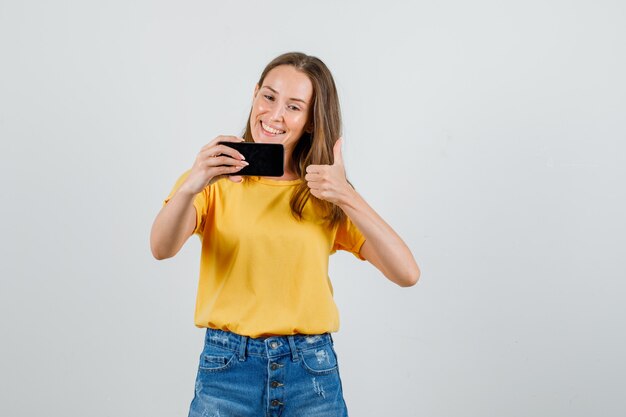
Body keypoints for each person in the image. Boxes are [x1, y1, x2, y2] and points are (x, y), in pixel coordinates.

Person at [150, 52, 420, 417]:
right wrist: (191, 185)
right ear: (255, 94)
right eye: (269, 97)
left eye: (294, 106)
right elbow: (161, 248)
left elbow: (407, 273)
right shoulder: (214, 180)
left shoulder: (324, 191)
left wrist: (348, 196)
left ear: (311, 121)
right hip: (227, 371)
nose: (275, 115)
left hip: (310, 374)